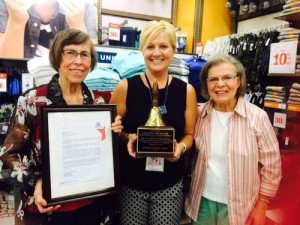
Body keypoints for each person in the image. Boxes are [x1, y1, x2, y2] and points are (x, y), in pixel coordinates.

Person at [0, 28, 122, 225]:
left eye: (85, 55)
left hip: (91, 205)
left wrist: (116, 134)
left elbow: (105, 155)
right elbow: (7, 156)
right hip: (47, 207)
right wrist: (36, 181)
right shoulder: (33, 102)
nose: (79, 61)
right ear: (58, 57)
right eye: (71, 53)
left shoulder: (100, 104)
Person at [109, 20, 198, 225]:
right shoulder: (125, 88)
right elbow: (112, 131)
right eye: (150, 46)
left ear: (174, 50)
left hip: (169, 185)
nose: (156, 53)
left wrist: (181, 148)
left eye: (163, 46)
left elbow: (190, 135)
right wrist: (128, 137)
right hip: (131, 184)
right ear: (142, 50)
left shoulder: (186, 91)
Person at [184, 54, 282, 225]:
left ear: (238, 81)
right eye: (213, 79)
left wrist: (262, 205)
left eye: (227, 77)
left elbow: (272, 165)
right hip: (201, 204)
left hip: (240, 208)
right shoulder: (199, 115)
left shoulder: (257, 117)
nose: (220, 84)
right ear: (207, 85)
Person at [0, 0, 98, 59]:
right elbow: (6, 68)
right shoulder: (8, 3)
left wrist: (77, 24)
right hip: (22, 86)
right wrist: (16, 21)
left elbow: (92, 67)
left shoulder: (84, 7)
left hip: (67, 87)